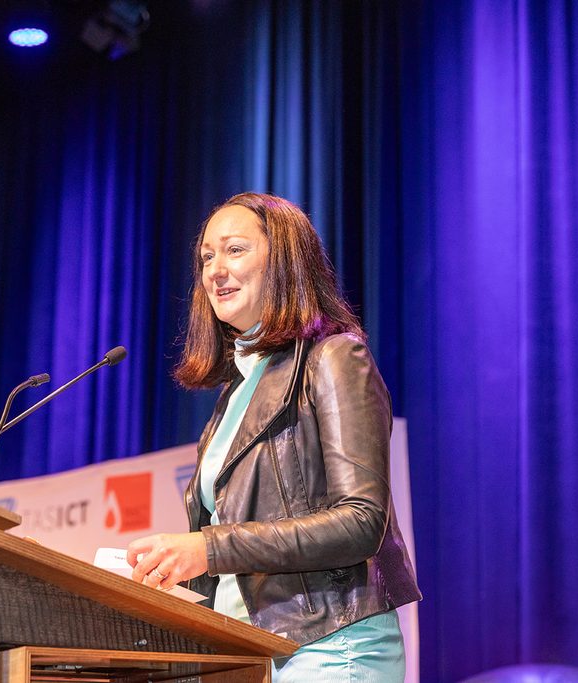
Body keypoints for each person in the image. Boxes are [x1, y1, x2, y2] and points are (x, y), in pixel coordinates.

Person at [128, 192, 421, 681]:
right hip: (251, 652)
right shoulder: (236, 391)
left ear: (284, 259)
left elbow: (362, 521)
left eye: (235, 250)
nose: (215, 270)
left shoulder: (334, 357)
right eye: (206, 257)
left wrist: (206, 548)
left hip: (331, 646)